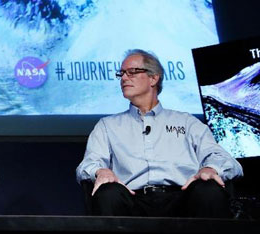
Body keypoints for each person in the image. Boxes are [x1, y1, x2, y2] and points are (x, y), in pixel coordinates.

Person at [76, 49, 243, 217]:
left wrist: (210, 168)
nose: (124, 78)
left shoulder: (186, 121)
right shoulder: (107, 126)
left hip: (184, 198)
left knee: (208, 189)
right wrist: (101, 171)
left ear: (154, 78)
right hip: (132, 200)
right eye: (122, 73)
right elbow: (88, 164)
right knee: (108, 193)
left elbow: (225, 160)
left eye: (132, 72)